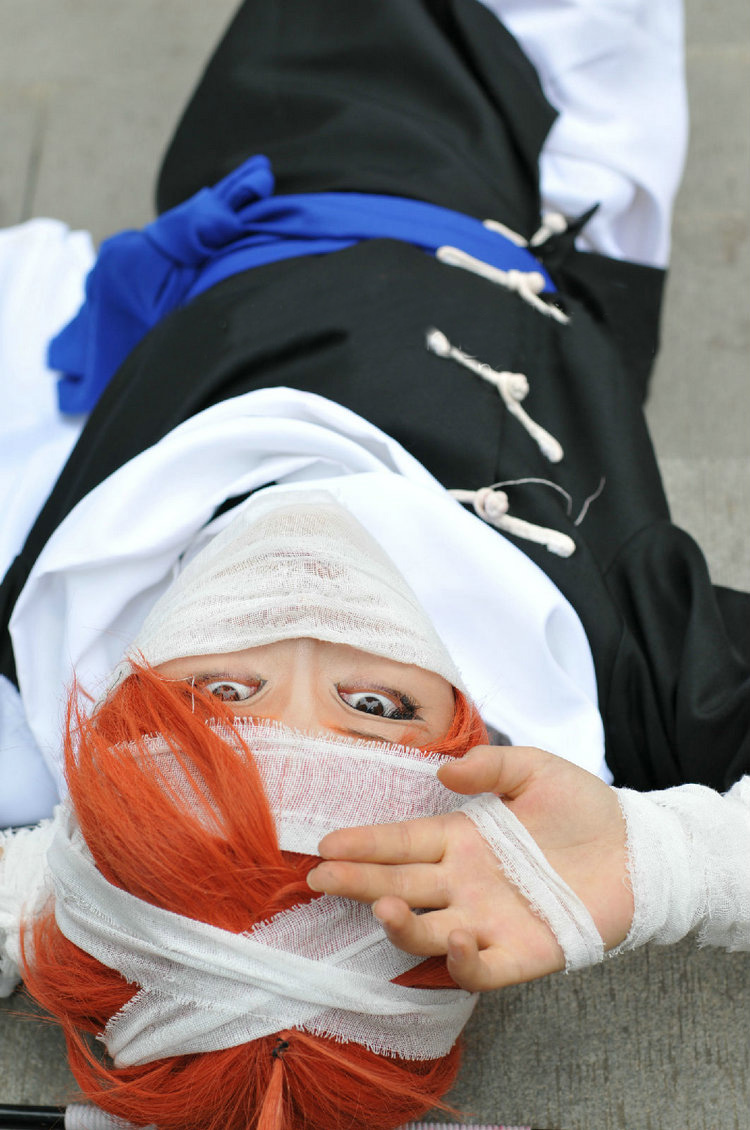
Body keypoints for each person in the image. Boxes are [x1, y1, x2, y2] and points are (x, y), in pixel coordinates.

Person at [0, 1, 749, 1128]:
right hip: (471, 128)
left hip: (275, 149)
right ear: (470, 734)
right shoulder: (632, 664)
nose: (310, 614)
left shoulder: (33, 678)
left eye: (223, 695)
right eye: (378, 706)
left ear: (108, 728)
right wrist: (666, 865)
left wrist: (54, 893)